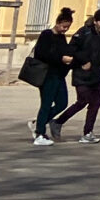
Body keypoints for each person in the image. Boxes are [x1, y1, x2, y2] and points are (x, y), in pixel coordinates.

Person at [29, 8, 77, 147]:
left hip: (59, 75)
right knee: (46, 103)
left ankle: (38, 123)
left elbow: (66, 51)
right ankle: (40, 133)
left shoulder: (62, 37)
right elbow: (42, 53)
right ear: (57, 23)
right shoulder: (46, 35)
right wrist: (60, 58)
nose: (65, 30)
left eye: (68, 27)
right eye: (64, 26)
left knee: (63, 102)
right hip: (46, 75)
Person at [63, 7, 100, 144]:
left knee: (95, 104)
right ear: (95, 21)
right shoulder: (83, 33)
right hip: (81, 74)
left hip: (96, 74)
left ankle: (88, 133)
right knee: (83, 101)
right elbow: (71, 50)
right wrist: (83, 61)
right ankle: (58, 121)